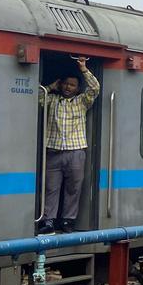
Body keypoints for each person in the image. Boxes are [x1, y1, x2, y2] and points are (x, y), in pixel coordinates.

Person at [38, 57, 100, 235]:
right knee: (51, 188)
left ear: (77, 88)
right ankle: (48, 220)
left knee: (74, 188)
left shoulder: (82, 102)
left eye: (72, 85)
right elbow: (35, 97)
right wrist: (50, 86)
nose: (68, 87)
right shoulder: (52, 100)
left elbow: (95, 88)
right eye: (65, 84)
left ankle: (68, 220)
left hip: (75, 151)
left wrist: (83, 69)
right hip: (53, 151)